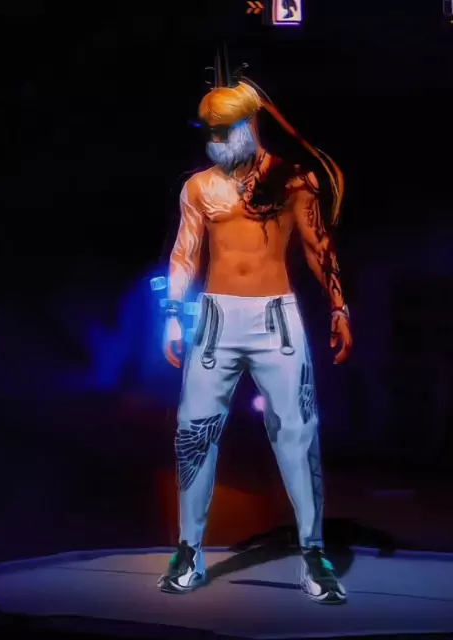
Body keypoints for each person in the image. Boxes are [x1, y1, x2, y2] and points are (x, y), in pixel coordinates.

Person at [157, 46, 352, 604]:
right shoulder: (199, 186)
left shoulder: (292, 180)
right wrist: (173, 317)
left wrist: (339, 307)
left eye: (225, 130)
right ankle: (189, 549)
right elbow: (185, 253)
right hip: (216, 318)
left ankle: (313, 551)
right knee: (194, 432)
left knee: (298, 434)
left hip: (276, 319)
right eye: (210, 132)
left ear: (249, 124)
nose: (216, 140)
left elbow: (318, 247)